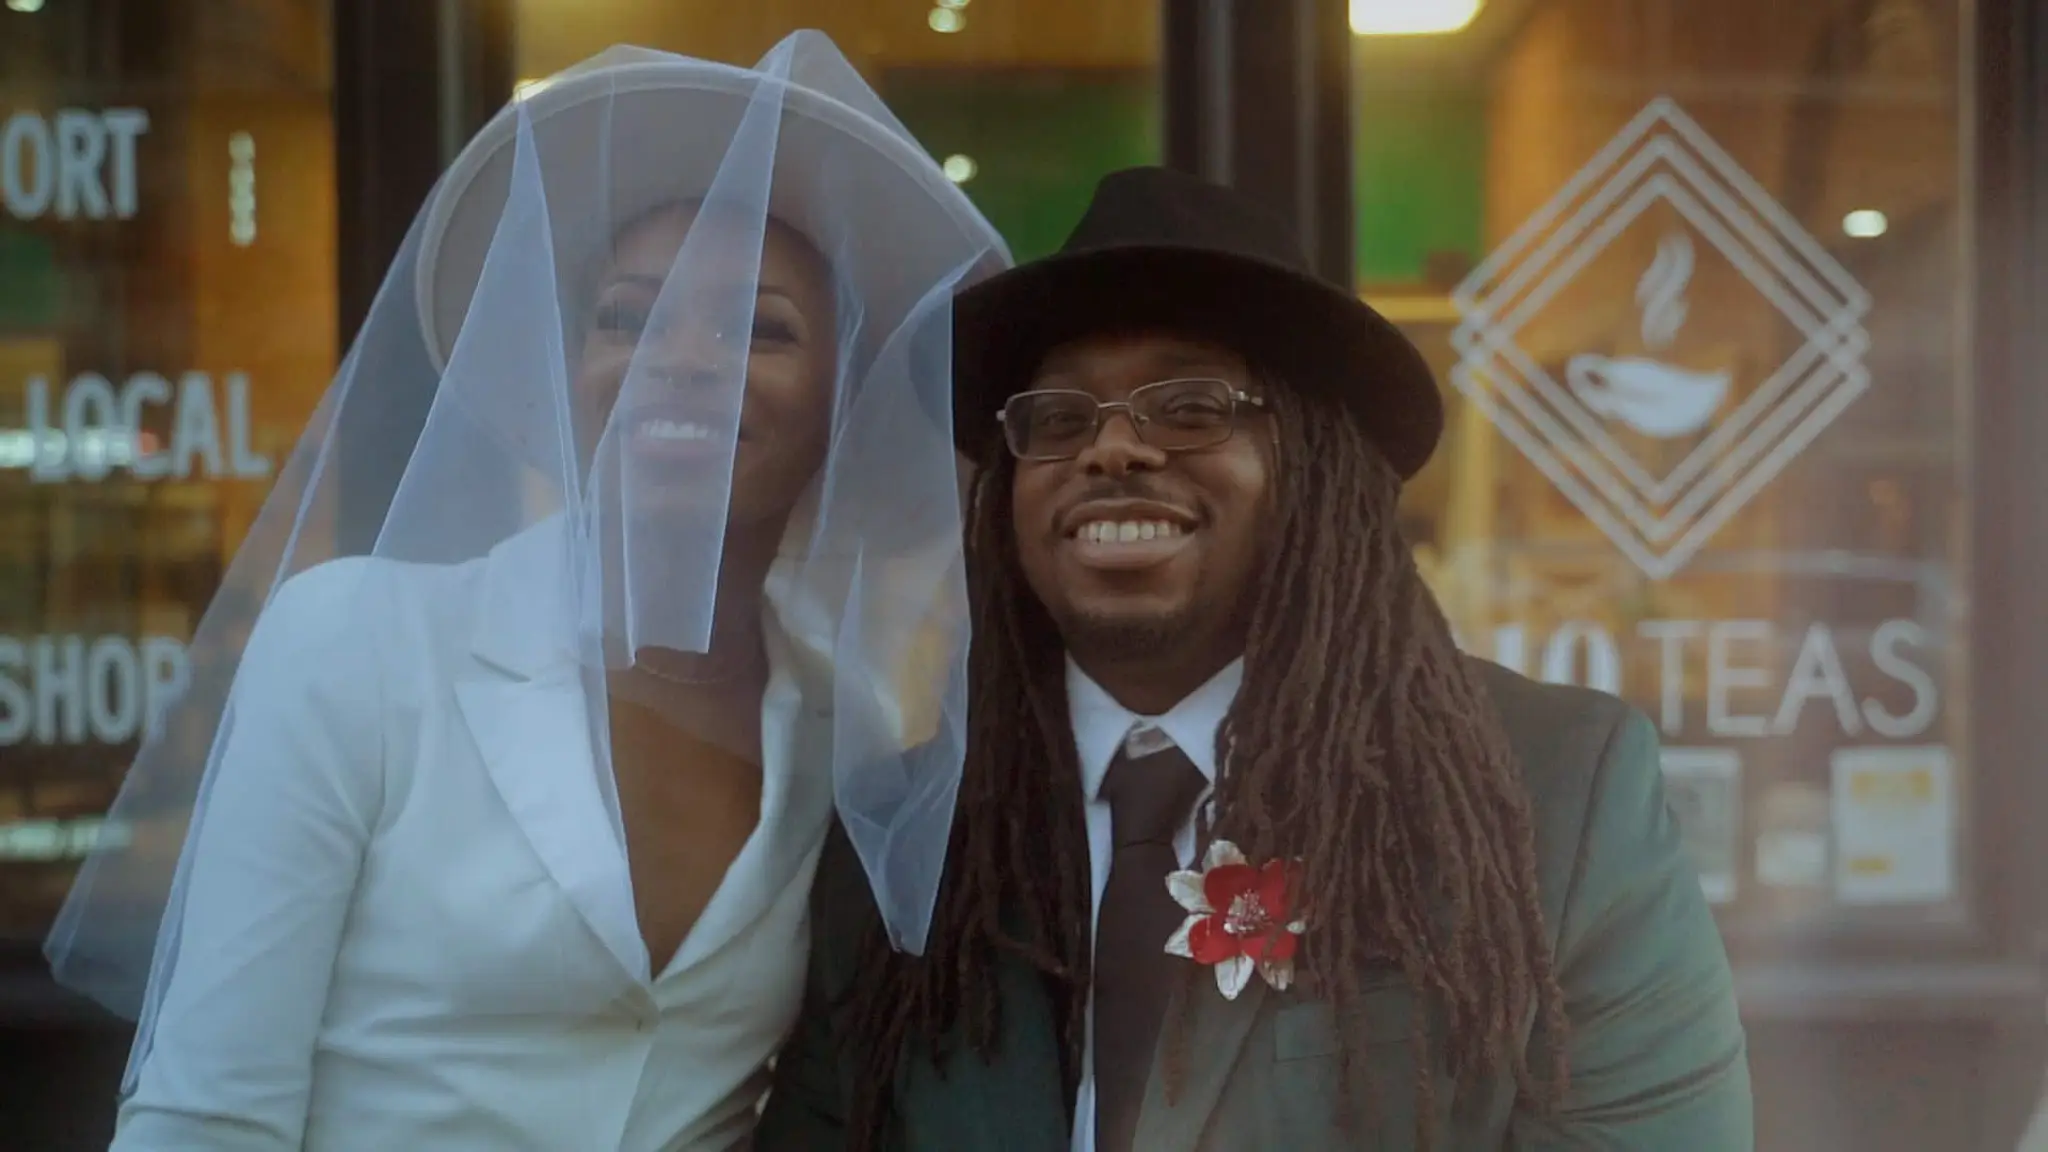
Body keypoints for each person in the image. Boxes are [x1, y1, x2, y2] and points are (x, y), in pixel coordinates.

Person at [44, 32, 1003, 1151]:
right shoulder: (356, 647)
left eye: (759, 328)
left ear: (845, 401)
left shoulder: (847, 729)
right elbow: (206, 1113)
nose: (680, 358)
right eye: (627, 316)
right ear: (567, 366)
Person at [756, 166, 1753, 1151]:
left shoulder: (1557, 796)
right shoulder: (902, 837)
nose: (1111, 448)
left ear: (1317, 468)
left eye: (1190, 408)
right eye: (1057, 419)